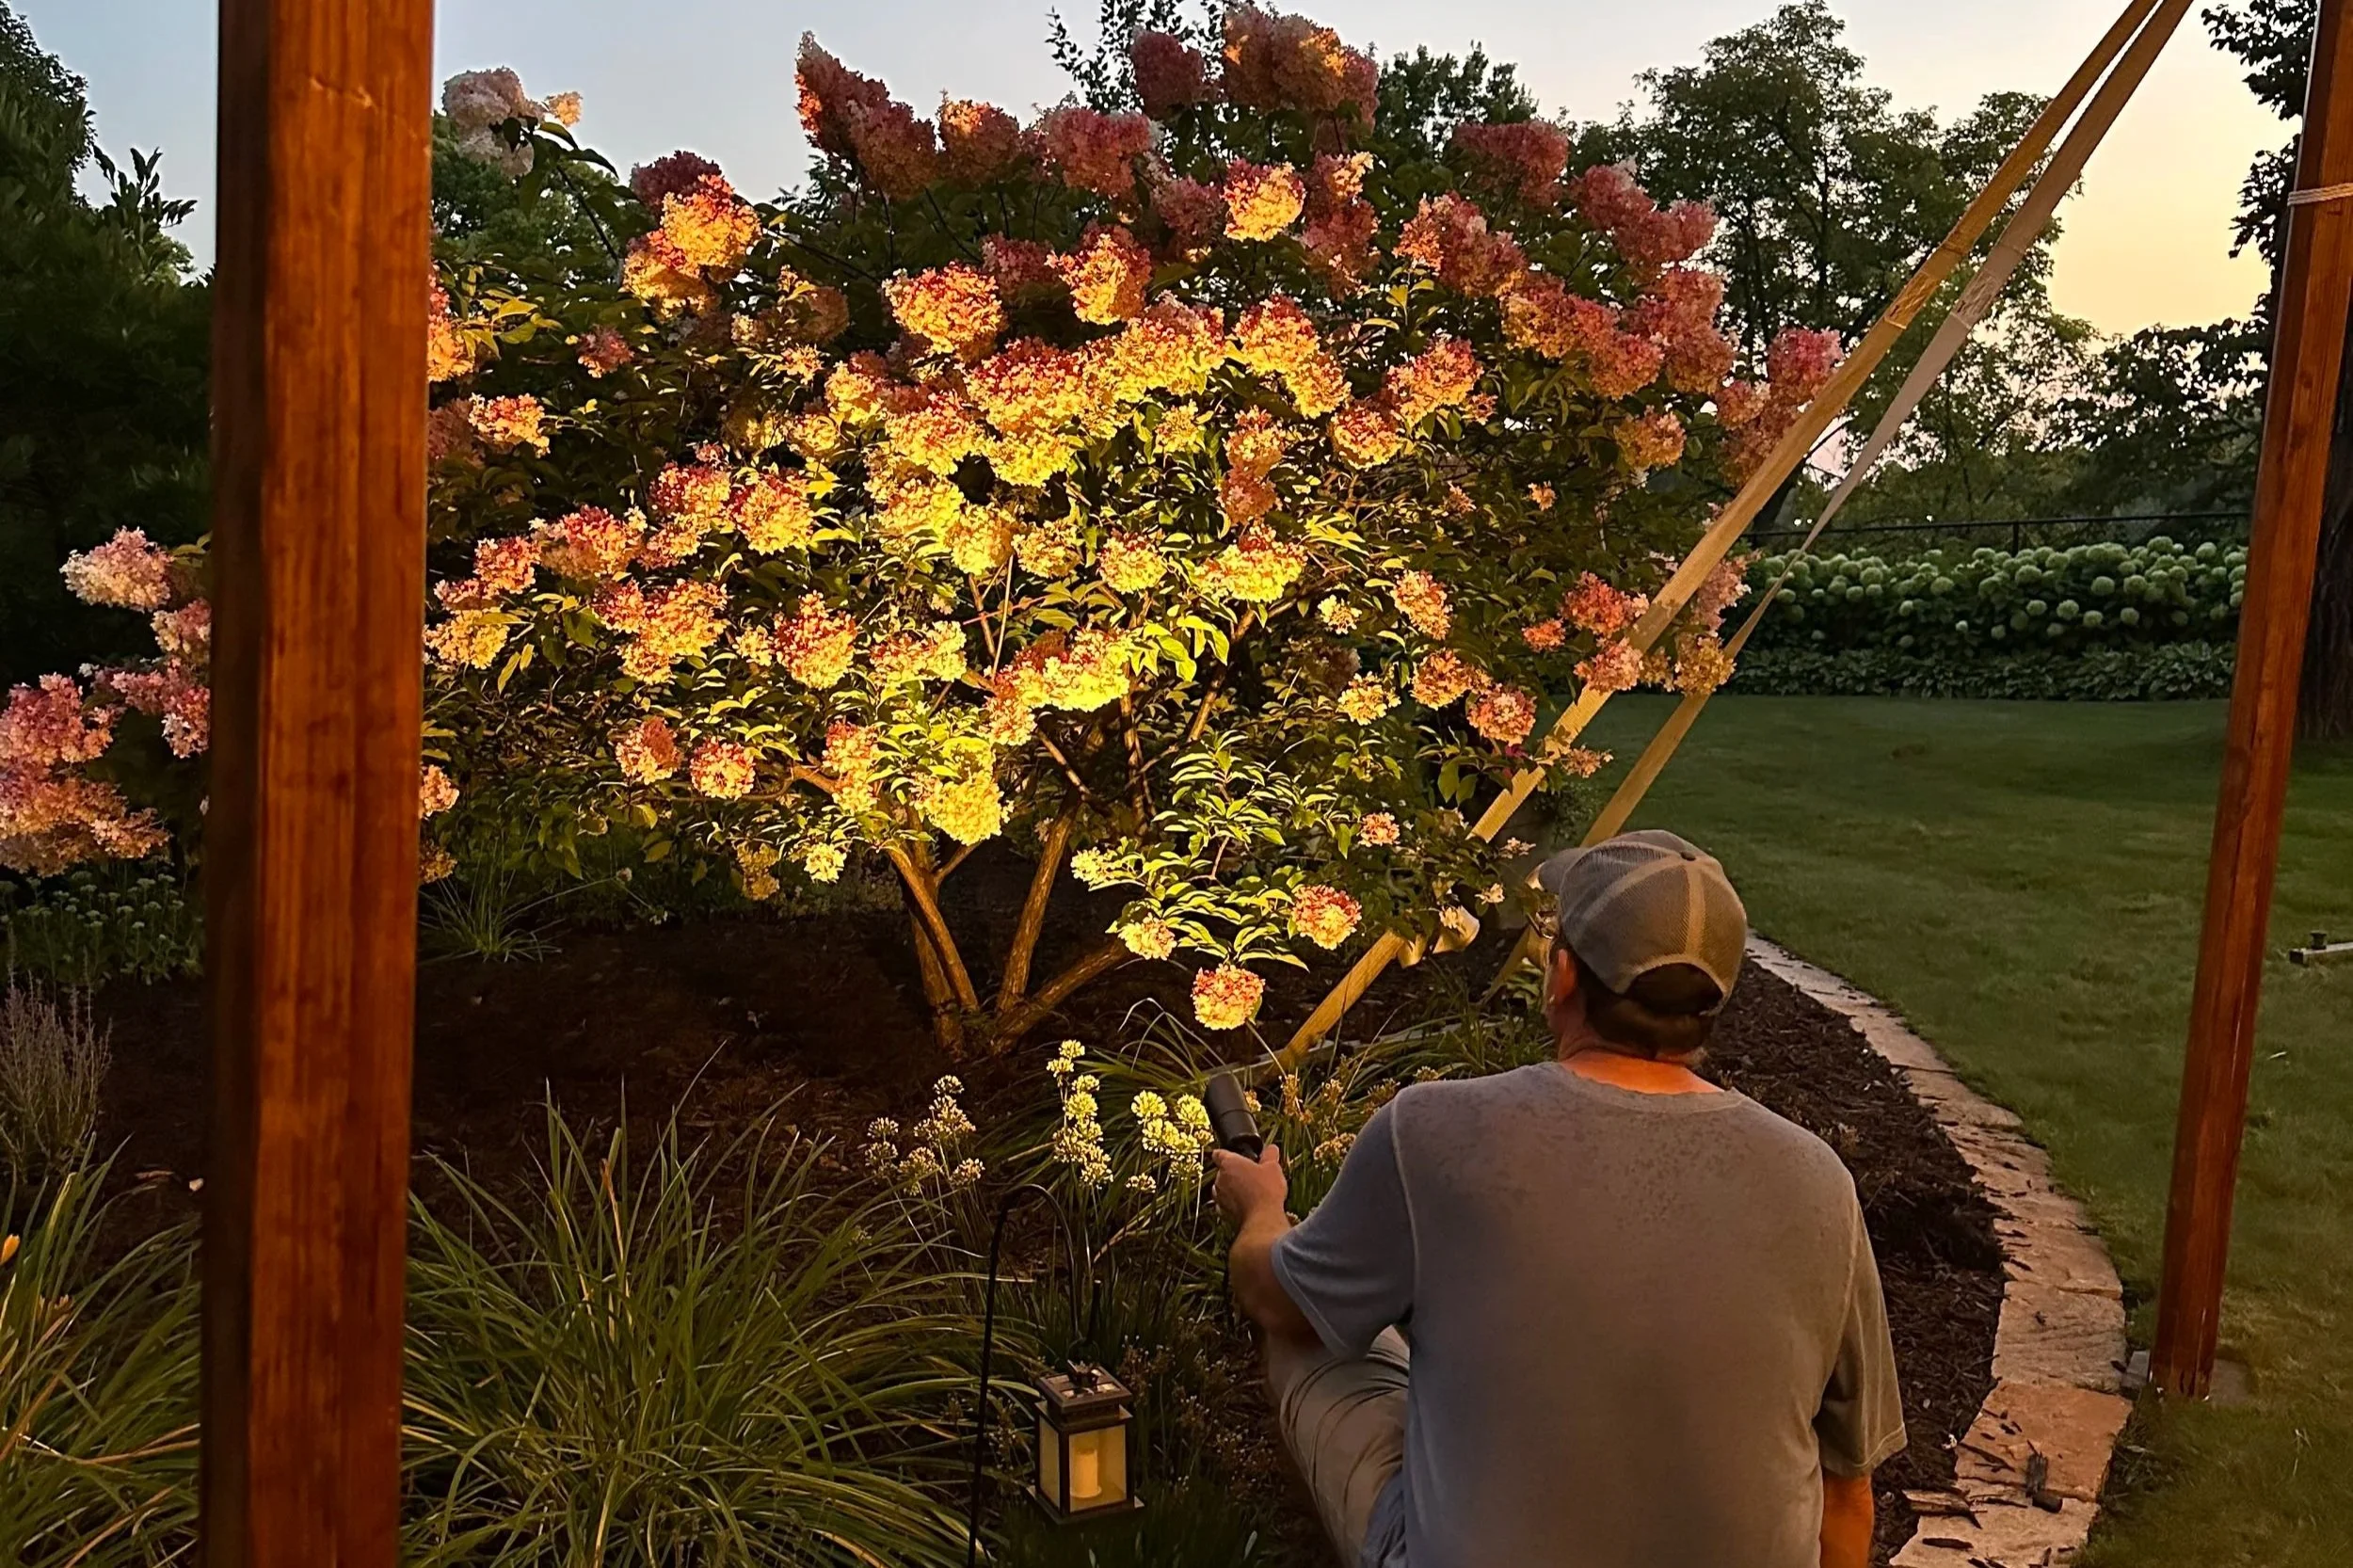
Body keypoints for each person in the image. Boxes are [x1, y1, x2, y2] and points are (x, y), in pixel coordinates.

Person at [1212, 829, 1904, 1568]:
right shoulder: (1819, 1180)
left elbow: (1276, 1297)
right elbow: (1847, 1493)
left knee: (1325, 1333)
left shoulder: (1436, 1132)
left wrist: (1262, 1210)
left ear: (1563, 977)